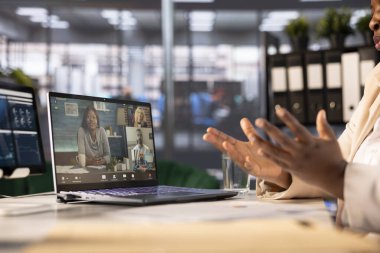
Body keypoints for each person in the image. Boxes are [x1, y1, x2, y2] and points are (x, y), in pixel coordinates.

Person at [204, 0, 380, 234]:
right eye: (372, 11)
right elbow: (336, 164)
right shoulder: (375, 84)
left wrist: (337, 175)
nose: (372, 22)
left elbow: (339, 173)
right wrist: (282, 169)